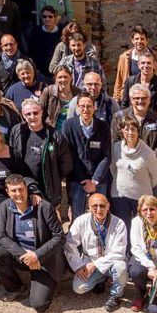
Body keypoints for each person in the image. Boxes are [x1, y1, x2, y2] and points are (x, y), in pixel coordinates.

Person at [0, 175, 65, 313]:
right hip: (22, 256)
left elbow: (59, 237)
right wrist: (24, 255)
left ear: (27, 189)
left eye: (21, 189)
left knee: (39, 305)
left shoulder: (44, 207)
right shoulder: (4, 206)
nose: (18, 194)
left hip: (44, 259)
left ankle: (50, 283)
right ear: (8, 192)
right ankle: (17, 288)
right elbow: (0, 236)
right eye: (14, 191)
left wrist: (36, 255)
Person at [65, 193, 128, 311]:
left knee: (121, 267)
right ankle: (101, 278)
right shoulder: (81, 221)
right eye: (95, 206)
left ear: (108, 206)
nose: (99, 210)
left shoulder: (118, 224)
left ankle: (116, 295)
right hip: (90, 260)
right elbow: (69, 245)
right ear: (89, 207)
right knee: (78, 288)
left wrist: (95, 265)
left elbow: (119, 252)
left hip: (111, 262)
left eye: (102, 206)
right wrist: (78, 266)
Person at [10, 98, 73, 214]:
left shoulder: (55, 135)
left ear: (41, 112)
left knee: (49, 221)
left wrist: (53, 174)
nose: (32, 116)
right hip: (24, 185)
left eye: (35, 113)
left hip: (48, 188)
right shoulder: (17, 131)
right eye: (28, 114)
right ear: (23, 115)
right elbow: (13, 157)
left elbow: (66, 164)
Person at [60, 92, 111, 220]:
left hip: (99, 179)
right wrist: (83, 180)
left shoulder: (103, 126)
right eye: (82, 106)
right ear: (77, 107)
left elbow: (106, 156)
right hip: (77, 179)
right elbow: (69, 155)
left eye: (89, 106)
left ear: (95, 107)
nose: (85, 109)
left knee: (100, 215)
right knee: (78, 216)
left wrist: (95, 180)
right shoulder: (68, 126)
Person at [110, 116, 157, 227]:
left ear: (138, 131)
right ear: (122, 131)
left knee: (142, 226)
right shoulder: (116, 148)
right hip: (119, 194)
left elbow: (156, 176)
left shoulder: (147, 152)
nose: (130, 132)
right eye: (126, 129)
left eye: (133, 129)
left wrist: (141, 186)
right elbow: (113, 168)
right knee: (123, 226)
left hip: (141, 196)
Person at [112, 26, 157, 99]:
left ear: (147, 40)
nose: (139, 41)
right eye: (136, 39)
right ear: (132, 40)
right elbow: (119, 81)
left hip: (153, 97)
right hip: (132, 98)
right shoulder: (124, 58)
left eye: (142, 39)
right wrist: (117, 97)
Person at [118, 52, 157, 119]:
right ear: (138, 65)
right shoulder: (130, 82)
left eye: (149, 63)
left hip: (156, 122)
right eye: (143, 63)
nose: (146, 66)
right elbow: (124, 104)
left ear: (154, 65)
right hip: (134, 122)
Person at [27, 7, 63, 77]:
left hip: (57, 71)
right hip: (40, 72)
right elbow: (31, 52)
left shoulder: (61, 32)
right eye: (44, 16)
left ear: (55, 18)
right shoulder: (36, 31)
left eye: (50, 16)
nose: (47, 19)